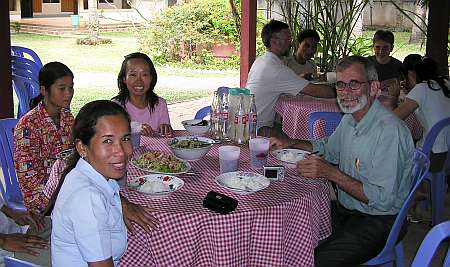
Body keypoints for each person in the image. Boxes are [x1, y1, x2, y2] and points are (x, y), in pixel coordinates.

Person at [270, 56, 415, 266]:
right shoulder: (351, 118)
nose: (345, 92)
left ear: (374, 88)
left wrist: (330, 173)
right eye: (340, 84)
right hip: (347, 209)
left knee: (313, 261)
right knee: (287, 238)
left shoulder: (390, 132)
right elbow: (328, 149)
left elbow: (383, 199)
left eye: (354, 84)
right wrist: (290, 143)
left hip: (380, 220)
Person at [50, 100, 150, 266]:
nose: (121, 151)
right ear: (82, 148)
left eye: (125, 138)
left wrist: (122, 204)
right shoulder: (87, 197)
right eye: (107, 141)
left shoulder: (91, 174)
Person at [246, 20, 336, 137]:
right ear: (274, 42)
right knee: (298, 139)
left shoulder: (261, 61)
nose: (291, 43)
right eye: (288, 40)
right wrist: (342, 90)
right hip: (257, 130)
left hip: (249, 123)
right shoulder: (277, 69)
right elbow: (315, 91)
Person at [14, 61, 75, 213]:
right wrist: (59, 194)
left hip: (67, 185)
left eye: (71, 87)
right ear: (44, 90)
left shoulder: (67, 117)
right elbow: (28, 180)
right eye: (62, 88)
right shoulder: (27, 126)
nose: (69, 93)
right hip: (44, 197)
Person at [394, 57, 450, 173]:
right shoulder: (446, 83)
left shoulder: (421, 89)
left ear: (411, 74)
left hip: (434, 156)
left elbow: (393, 119)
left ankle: (418, 189)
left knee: (396, 153)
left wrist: (393, 97)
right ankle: (432, 188)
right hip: (447, 151)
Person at [112, 52, 173, 137]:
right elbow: (112, 135)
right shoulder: (115, 106)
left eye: (144, 75)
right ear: (124, 79)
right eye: (133, 75)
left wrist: (166, 128)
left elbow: (166, 136)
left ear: (151, 78)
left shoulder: (160, 104)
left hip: (155, 150)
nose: (139, 81)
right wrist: (133, 129)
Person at [0, 197, 48, 265]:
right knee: (60, 255)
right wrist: (3, 241)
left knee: (57, 226)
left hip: (16, 232)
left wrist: (11, 212)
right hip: (6, 251)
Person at [367, 30, 405, 95]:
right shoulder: (366, 63)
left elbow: (403, 86)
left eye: (385, 48)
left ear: (392, 48)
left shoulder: (398, 65)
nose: (381, 51)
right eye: (377, 47)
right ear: (373, 47)